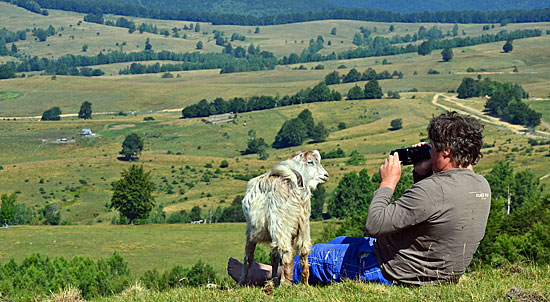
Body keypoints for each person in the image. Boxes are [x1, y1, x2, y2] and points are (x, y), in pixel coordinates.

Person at [228, 111, 491, 286]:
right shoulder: (481, 185)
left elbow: (375, 225)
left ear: (445, 152)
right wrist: (422, 174)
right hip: (436, 271)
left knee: (320, 254)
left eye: (432, 148)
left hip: (396, 272)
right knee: (341, 241)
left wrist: (388, 182)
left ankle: (262, 275)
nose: (429, 152)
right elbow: (425, 217)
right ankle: (281, 269)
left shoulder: (436, 190)